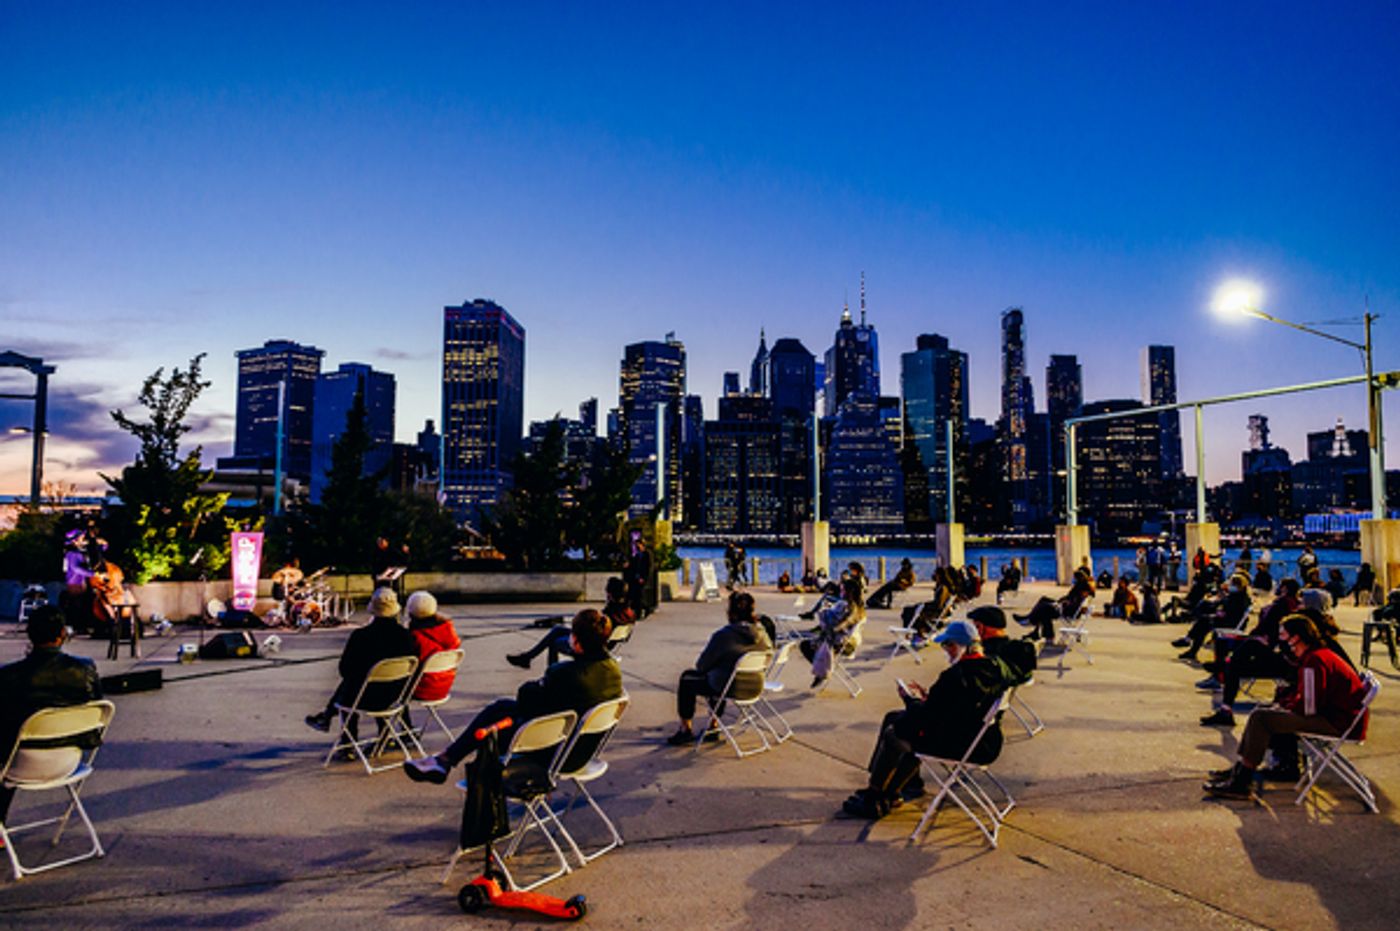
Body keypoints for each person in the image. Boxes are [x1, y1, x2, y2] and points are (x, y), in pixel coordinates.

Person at [404, 608, 622, 783]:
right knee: (501, 709)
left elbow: (525, 699)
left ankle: (454, 767)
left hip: (553, 753)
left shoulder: (566, 673)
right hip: (582, 751)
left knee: (496, 717)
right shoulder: (613, 670)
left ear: (576, 642)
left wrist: (546, 679)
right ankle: (444, 760)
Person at [840, 619, 1015, 819]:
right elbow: (956, 706)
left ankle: (874, 797)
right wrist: (929, 699)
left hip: (964, 743)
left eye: (949, 645)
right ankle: (894, 790)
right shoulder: (995, 667)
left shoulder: (956, 676)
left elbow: (928, 718)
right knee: (895, 718)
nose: (946, 650)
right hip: (984, 738)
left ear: (963, 647)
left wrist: (909, 699)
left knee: (896, 733)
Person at [1205, 614, 1369, 799]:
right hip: (1339, 718)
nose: (1282, 641)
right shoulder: (1318, 655)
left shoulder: (1314, 661)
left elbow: (1308, 706)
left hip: (1337, 723)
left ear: (1296, 637)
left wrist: (1285, 707)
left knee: (1261, 717)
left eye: (1284, 635)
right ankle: (1241, 770)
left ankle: (1242, 779)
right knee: (1265, 714)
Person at [0, 606, 104, 825]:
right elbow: (97, 710)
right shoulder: (85, 669)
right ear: (63, 634)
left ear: (29, 634)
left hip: (21, 764)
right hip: (68, 760)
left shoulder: (8, 675)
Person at [304, 588, 418, 737]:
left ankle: (348, 742)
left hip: (365, 697)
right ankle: (384, 736)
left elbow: (344, 670)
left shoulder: (361, 636)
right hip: (396, 696)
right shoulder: (406, 636)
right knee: (372, 680)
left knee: (351, 685)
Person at [664, 591, 772, 745]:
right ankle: (713, 725)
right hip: (756, 686)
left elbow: (701, 666)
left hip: (732, 687)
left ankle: (685, 728)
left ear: (731, 613)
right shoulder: (762, 634)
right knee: (719, 674)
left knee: (688, 678)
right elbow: (769, 656)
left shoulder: (724, 635)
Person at [510, 577, 633, 669]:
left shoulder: (610, 614)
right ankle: (527, 657)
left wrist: (579, 625)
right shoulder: (629, 612)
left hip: (591, 646)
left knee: (554, 642)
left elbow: (594, 633)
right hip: (604, 644)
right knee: (558, 629)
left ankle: (550, 676)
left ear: (610, 594)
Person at [800, 575, 867, 687]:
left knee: (805, 645)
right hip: (851, 643)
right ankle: (822, 668)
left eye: (842, 589)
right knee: (813, 643)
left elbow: (835, 626)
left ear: (847, 592)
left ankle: (823, 669)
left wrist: (824, 612)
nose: (840, 591)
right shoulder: (858, 608)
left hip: (842, 644)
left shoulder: (846, 606)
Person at [1171, 574, 1252, 662]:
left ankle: (1189, 641)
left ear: (1238, 585)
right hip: (1228, 619)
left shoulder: (1240, 598)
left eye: (1231, 584)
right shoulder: (1237, 595)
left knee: (1203, 621)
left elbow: (1231, 612)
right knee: (1203, 621)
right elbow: (1221, 604)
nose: (1229, 585)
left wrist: (1218, 612)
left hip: (1231, 623)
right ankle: (1190, 645)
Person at [406, 591, 460, 704]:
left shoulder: (413, 637)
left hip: (422, 689)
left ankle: (403, 721)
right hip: (444, 687)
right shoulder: (448, 630)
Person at [1014, 568, 1093, 642]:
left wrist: (1063, 603)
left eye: (1077, 576)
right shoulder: (1081, 586)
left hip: (1067, 610)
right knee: (1043, 600)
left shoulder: (1083, 588)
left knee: (1044, 608)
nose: (1075, 578)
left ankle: (1033, 623)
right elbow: (1071, 599)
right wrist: (1061, 601)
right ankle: (1031, 621)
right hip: (1065, 607)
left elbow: (1074, 603)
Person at [968, 606, 1036, 685]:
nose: (974, 632)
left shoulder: (987, 655)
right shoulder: (1016, 649)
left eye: (977, 627)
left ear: (988, 628)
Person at [623, 536, 652, 619]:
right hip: (634, 578)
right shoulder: (636, 555)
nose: (637, 547)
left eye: (638, 545)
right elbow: (633, 565)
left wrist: (643, 577)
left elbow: (647, 567)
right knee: (634, 595)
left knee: (639, 596)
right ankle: (638, 611)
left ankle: (642, 611)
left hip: (641, 577)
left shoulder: (646, 555)